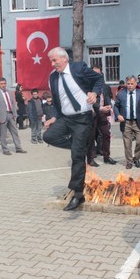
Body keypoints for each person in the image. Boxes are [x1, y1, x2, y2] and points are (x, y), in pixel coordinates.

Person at [43, 46, 103, 211]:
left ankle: (78, 194)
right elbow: (56, 101)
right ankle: (79, 145)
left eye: (55, 60)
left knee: (77, 156)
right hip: (65, 118)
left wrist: (95, 93)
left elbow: (99, 79)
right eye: (51, 61)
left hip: (83, 119)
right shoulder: (53, 77)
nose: (53, 64)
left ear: (64, 59)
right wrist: (54, 117)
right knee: (48, 137)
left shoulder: (79, 68)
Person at [114, 75, 140, 169]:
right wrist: (118, 115)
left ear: (136, 84)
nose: (130, 85)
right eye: (128, 84)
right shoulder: (121, 94)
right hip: (126, 122)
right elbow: (116, 106)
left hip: (138, 122)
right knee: (127, 144)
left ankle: (136, 158)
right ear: (125, 84)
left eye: (132, 84)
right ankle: (129, 161)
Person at [0, 78, 27, 155]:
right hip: (2, 116)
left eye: (4, 83)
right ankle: (5, 149)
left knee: (15, 132)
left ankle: (18, 148)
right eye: (1, 84)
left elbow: (12, 103)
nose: (3, 85)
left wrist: (15, 114)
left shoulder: (9, 92)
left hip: (10, 114)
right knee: (3, 134)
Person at [92, 65, 116, 165]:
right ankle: (90, 158)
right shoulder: (88, 86)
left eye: (98, 73)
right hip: (92, 113)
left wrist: (109, 107)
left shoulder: (105, 86)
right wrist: (100, 108)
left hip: (103, 113)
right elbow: (90, 101)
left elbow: (108, 98)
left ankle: (106, 156)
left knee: (106, 134)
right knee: (91, 136)